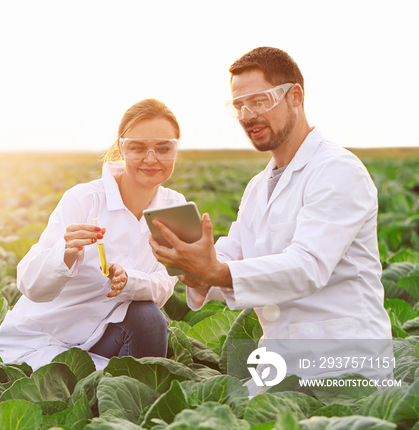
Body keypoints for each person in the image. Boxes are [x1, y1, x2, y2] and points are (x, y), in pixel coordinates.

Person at [149, 47, 392, 385]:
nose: (247, 115)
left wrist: (217, 271)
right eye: (239, 106)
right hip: (279, 364)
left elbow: (307, 267)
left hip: (343, 366)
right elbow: (234, 254)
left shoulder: (337, 170)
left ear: (295, 96)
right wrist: (196, 270)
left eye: (259, 101)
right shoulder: (257, 186)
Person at [0, 98, 187, 370]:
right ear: (121, 149)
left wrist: (129, 281)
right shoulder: (84, 199)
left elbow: (165, 284)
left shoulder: (175, 206)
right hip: (46, 337)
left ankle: (128, 399)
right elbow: (30, 285)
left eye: (164, 148)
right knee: (69, 387)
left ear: (175, 151)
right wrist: (64, 254)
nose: (151, 158)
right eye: (137, 148)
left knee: (148, 317)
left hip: (104, 335)